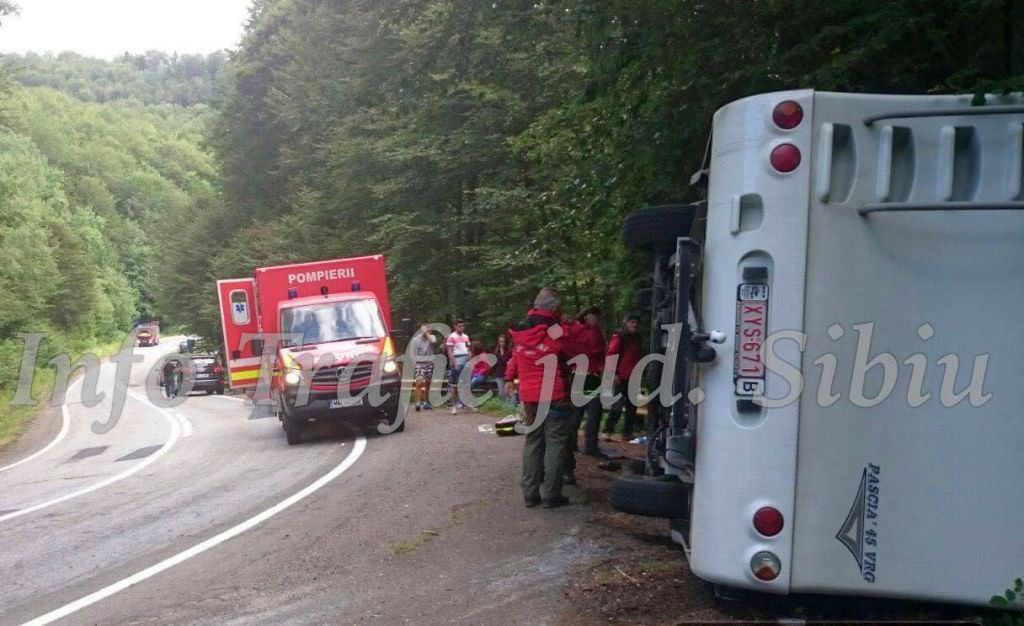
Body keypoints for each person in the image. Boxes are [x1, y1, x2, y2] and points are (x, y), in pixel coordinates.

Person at [505, 288, 584, 509]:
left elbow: (515, 356)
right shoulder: (556, 329)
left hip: (529, 395)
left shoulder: (521, 330)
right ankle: (551, 495)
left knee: (532, 442)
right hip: (554, 394)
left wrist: (509, 377)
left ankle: (530, 494)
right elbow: (575, 350)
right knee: (555, 444)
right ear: (554, 308)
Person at [569, 306, 606, 462]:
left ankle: (572, 444)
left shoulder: (574, 330)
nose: (595, 319)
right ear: (586, 317)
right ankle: (590, 446)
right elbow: (598, 351)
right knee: (593, 412)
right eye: (593, 316)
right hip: (589, 375)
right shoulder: (592, 332)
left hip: (579, 374)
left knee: (577, 412)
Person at [604, 312, 644, 440]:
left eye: (636, 323)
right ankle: (607, 430)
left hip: (633, 376)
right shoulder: (619, 337)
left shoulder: (637, 338)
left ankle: (627, 433)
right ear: (626, 323)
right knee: (617, 405)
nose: (634, 325)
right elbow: (611, 355)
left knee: (632, 407)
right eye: (632, 322)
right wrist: (613, 374)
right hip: (620, 377)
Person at [445, 319, 471, 414]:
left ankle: (465, 403)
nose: (461, 328)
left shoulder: (466, 337)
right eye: (459, 326)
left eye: (462, 326)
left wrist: (469, 359)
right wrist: (454, 362)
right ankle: (453, 405)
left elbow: (468, 349)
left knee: (465, 383)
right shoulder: (451, 337)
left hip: (465, 359)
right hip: (457, 358)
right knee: (454, 384)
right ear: (455, 326)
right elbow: (450, 351)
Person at [411, 325, 437, 411]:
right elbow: (413, 352)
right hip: (419, 363)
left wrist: (427, 334)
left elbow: (433, 341)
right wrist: (414, 363)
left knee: (427, 383)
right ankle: (418, 402)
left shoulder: (431, 338)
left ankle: (426, 401)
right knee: (419, 383)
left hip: (429, 363)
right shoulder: (416, 340)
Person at [492, 334, 512, 404]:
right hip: (499, 373)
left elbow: (508, 362)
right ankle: (503, 406)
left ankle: (508, 406)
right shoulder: (496, 351)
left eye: (503, 342)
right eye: (500, 342)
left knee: (507, 391)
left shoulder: (509, 352)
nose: (501, 343)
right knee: (501, 392)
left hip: (507, 373)